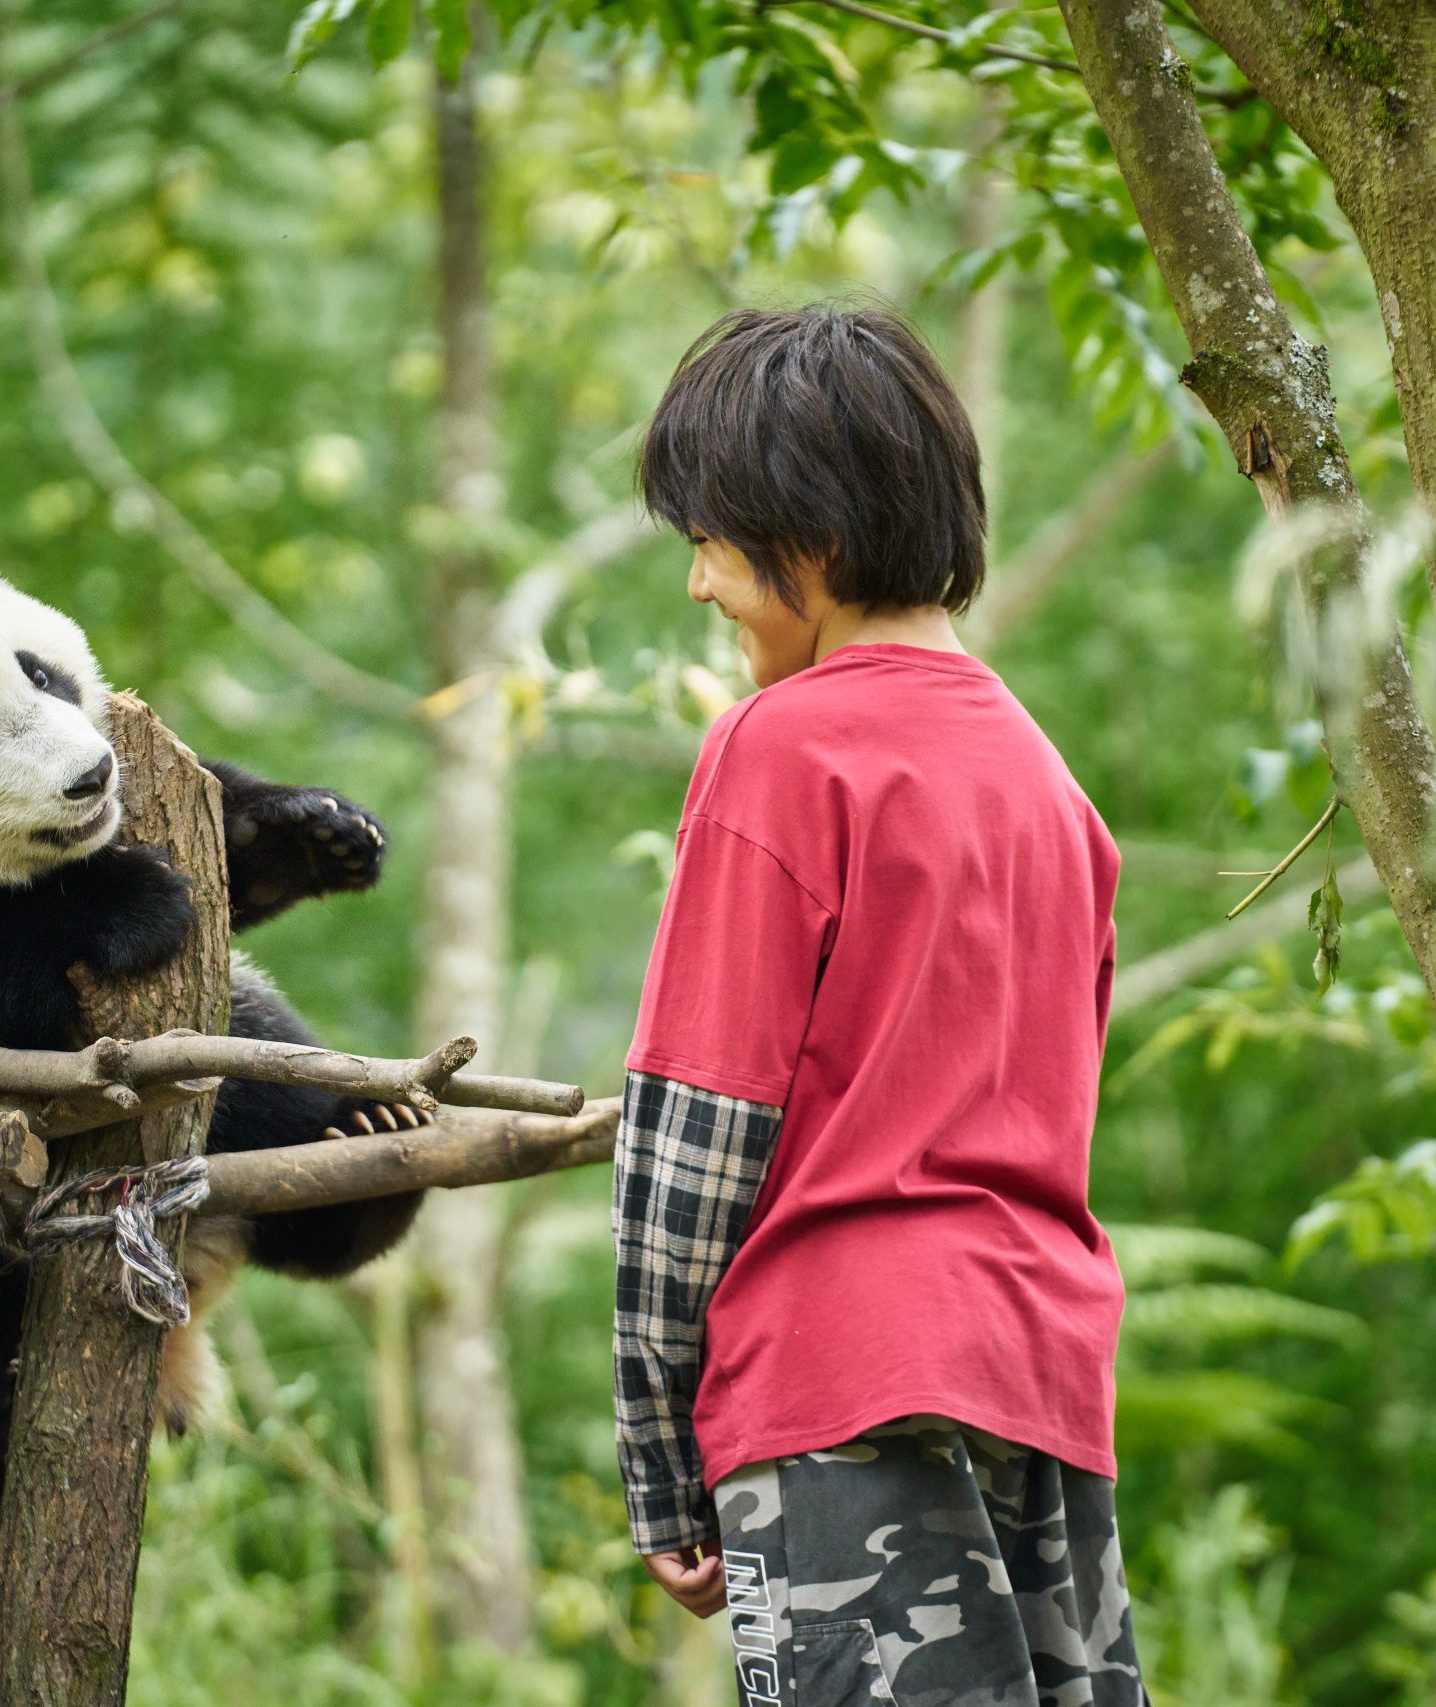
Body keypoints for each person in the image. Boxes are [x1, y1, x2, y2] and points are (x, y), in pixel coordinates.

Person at [611, 301, 1144, 1707]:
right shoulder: (1048, 787)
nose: (701, 586)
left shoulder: (781, 753)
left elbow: (694, 1142)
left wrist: (661, 1473)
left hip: (843, 1393)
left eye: (713, 542)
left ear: (818, 540)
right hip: (1043, 1384)